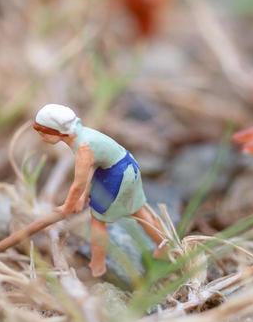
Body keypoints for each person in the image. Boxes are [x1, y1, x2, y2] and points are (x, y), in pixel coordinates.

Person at [32, 103, 166, 276]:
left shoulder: (83, 148)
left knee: (97, 219)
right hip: (126, 163)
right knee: (138, 210)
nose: (41, 135)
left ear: (57, 131)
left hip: (117, 173)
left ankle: (97, 266)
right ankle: (164, 245)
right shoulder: (83, 135)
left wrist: (67, 206)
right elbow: (92, 168)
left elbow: (78, 184)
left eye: (43, 130)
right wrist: (81, 198)